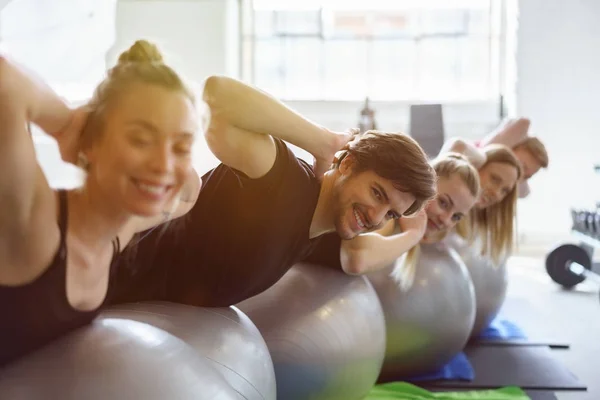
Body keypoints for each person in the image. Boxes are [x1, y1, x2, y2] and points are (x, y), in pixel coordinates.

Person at [111, 77, 438, 308]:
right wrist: (323, 140)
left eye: (392, 213)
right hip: (98, 271)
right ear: (348, 164)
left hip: (117, 308)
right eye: (378, 194)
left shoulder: (321, 229)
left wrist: (414, 235)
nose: (376, 218)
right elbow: (216, 95)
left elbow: (361, 256)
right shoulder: (281, 178)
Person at [0, 39, 201, 366]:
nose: (163, 164)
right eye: (141, 139)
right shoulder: (35, 223)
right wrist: (66, 125)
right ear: (91, 141)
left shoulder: (115, 233)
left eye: (180, 147)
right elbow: (5, 80)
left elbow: (190, 191)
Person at [303, 152, 480, 276]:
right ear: (427, 187)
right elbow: (356, 257)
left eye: (456, 217)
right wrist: (413, 235)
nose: (445, 219)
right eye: (443, 203)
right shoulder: (387, 215)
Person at [442, 117, 548, 198]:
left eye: (527, 177)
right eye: (522, 167)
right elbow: (524, 123)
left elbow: (525, 193)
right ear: (510, 145)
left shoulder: (501, 193)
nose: (519, 177)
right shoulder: (472, 155)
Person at [454, 144, 523, 265]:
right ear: (476, 168)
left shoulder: (481, 232)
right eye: (495, 179)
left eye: (504, 190)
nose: (496, 193)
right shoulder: (440, 215)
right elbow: (457, 144)